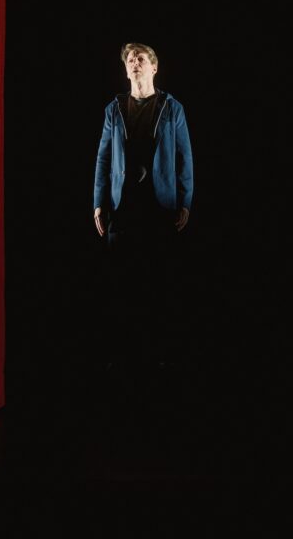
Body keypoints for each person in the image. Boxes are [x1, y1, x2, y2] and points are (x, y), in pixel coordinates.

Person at [93, 42, 193, 370]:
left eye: (142, 59)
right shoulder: (114, 109)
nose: (135, 63)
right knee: (122, 280)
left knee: (159, 278)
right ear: (126, 70)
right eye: (130, 60)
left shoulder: (171, 108)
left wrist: (185, 201)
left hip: (159, 205)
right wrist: (98, 203)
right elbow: (104, 157)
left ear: (154, 68)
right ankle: (123, 353)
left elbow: (184, 157)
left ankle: (160, 354)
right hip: (123, 207)